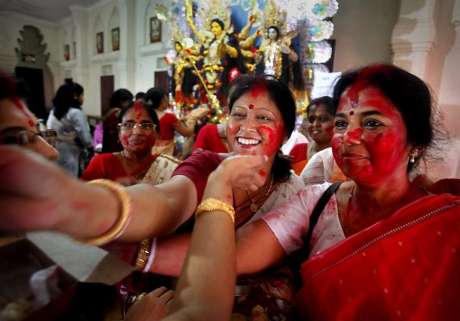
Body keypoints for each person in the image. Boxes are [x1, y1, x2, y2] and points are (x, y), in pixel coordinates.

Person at [0, 75, 304, 319]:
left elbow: (239, 259)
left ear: (288, 133)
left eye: (263, 117)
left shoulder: (293, 189)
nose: (247, 127)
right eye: (238, 115)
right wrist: (90, 206)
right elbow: (168, 201)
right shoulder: (206, 164)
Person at [82, 100, 160, 185]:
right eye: (128, 125)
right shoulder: (101, 164)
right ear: (119, 134)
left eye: (146, 125)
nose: (137, 132)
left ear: (156, 133)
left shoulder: (167, 167)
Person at [46, 80, 92, 176]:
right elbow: (86, 138)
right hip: (71, 153)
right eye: (82, 95)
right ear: (75, 96)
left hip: (55, 150)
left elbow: (49, 131)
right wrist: (90, 147)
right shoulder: (75, 113)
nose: (83, 98)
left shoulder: (53, 111)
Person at [289, 96, 336, 174]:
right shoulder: (298, 151)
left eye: (323, 119)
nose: (315, 124)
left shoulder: (343, 156)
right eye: (311, 119)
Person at [145, 87, 197, 156]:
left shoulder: (144, 116)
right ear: (162, 100)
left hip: (148, 155)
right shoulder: (169, 117)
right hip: (164, 156)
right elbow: (188, 133)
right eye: (167, 97)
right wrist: (192, 119)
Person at [102, 88, 134, 153]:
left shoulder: (111, 111)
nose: (131, 104)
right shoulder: (118, 113)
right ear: (122, 101)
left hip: (108, 147)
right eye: (129, 101)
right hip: (116, 148)